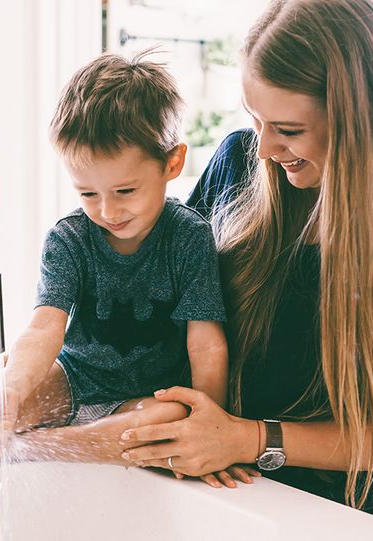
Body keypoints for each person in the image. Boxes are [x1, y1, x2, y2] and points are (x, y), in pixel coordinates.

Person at [0, 50, 258, 488]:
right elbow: (43, 331)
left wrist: (210, 428)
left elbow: (206, 344)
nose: (108, 210)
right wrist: (11, 389)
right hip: (75, 378)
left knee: (168, 419)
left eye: (125, 190)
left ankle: (37, 446)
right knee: (16, 389)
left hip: (148, 397)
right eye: (88, 193)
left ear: (172, 163)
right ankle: (9, 429)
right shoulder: (69, 239)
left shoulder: (188, 238)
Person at [117, 0, 373, 512]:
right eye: (255, 119)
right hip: (224, 494)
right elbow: (151, 316)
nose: (264, 149)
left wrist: (249, 440)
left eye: (289, 130)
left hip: (335, 515)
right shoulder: (237, 163)